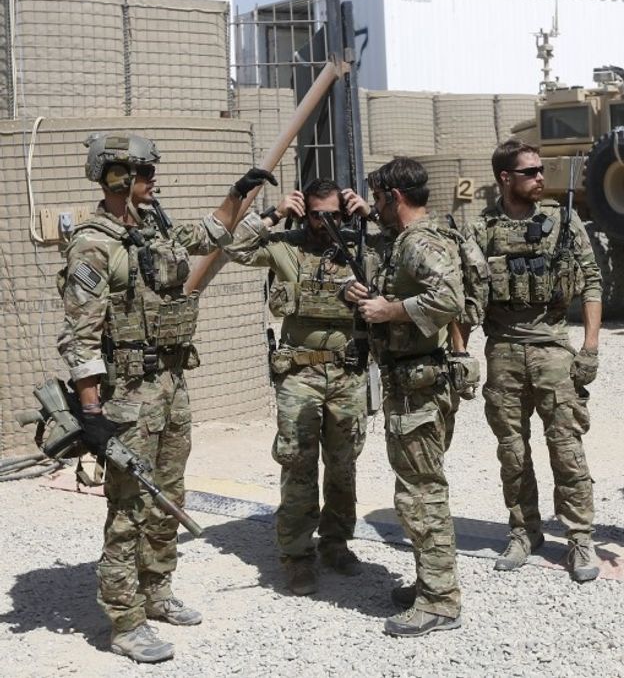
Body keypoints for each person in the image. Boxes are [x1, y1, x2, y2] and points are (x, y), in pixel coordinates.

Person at [57, 132, 275, 662]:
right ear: (118, 177)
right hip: (128, 396)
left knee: (168, 495)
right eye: (146, 173)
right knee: (129, 506)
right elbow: (80, 340)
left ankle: (156, 591)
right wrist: (92, 413)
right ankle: (124, 620)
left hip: (171, 385)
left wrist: (238, 193)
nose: (154, 181)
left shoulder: (153, 225)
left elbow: (209, 233)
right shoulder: (93, 244)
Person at [460, 139, 603, 584]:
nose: (541, 178)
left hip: (552, 349)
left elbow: (591, 282)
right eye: (531, 172)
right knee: (512, 452)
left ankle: (579, 537)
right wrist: (461, 354)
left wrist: (590, 347)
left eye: (541, 170)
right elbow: (465, 298)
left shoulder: (563, 221)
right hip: (502, 350)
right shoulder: (481, 230)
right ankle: (524, 531)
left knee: (566, 448)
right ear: (505, 178)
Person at [222, 179, 369, 595]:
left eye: (334, 215)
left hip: (347, 373)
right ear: (305, 213)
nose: (326, 223)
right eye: (318, 215)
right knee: (298, 462)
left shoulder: (360, 249)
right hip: (300, 374)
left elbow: (403, 249)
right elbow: (234, 247)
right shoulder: (286, 246)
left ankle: (336, 542)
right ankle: (297, 554)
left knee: (343, 463)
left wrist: (370, 215)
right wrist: (275, 213)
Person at [343, 157, 465, 637]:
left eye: (378, 198)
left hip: (418, 389)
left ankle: (439, 601)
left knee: (420, 493)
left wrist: (388, 310)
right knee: (420, 486)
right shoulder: (416, 238)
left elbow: (450, 299)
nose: (374, 207)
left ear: (395, 196)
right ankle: (430, 583)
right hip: (416, 382)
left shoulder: (418, 243)